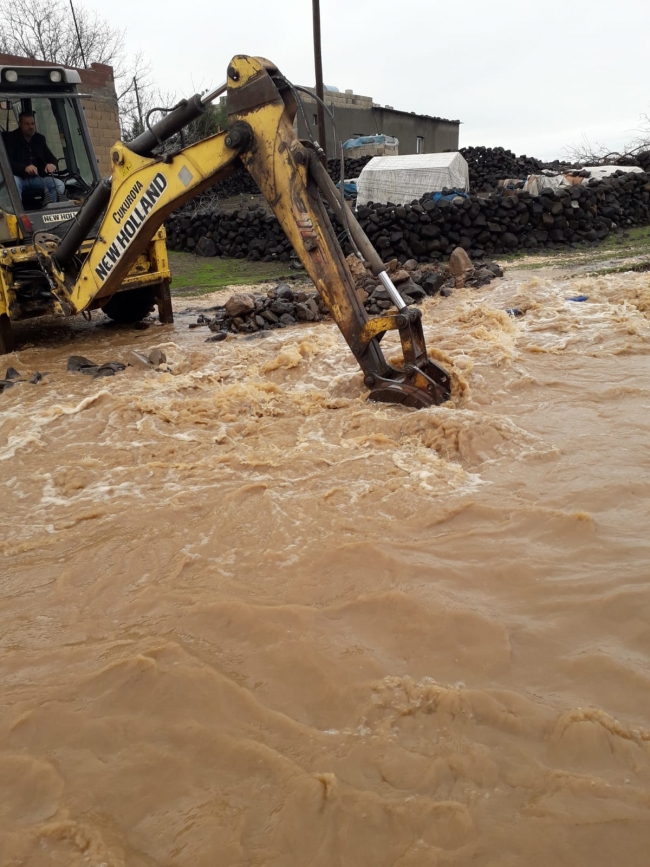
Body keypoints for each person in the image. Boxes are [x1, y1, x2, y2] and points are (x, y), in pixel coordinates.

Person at [4, 111, 65, 204]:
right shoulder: (11, 138)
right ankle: (19, 214)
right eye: (27, 124)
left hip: (37, 178)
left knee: (59, 184)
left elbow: (52, 158)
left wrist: (52, 165)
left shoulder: (39, 139)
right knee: (13, 184)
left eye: (32, 123)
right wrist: (24, 168)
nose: (31, 127)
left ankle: (48, 210)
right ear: (20, 124)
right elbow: (7, 163)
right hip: (19, 178)